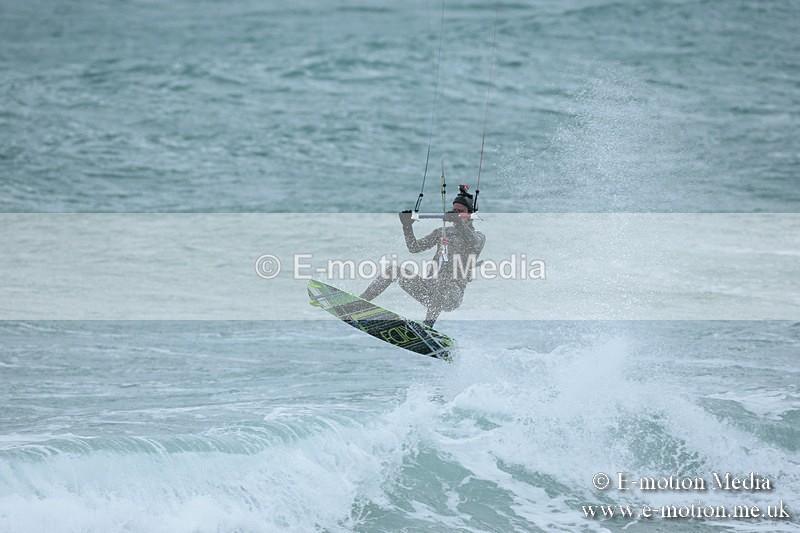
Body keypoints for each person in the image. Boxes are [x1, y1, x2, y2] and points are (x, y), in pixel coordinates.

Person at [360, 185, 486, 327]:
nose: (455, 214)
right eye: (454, 211)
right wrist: (407, 226)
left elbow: (473, 242)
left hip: (452, 295)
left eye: (460, 212)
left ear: (471, 214)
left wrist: (459, 222)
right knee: (393, 270)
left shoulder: (479, 237)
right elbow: (414, 248)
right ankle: (359, 303)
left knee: (443, 280)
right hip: (428, 289)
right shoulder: (442, 232)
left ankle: (427, 326)